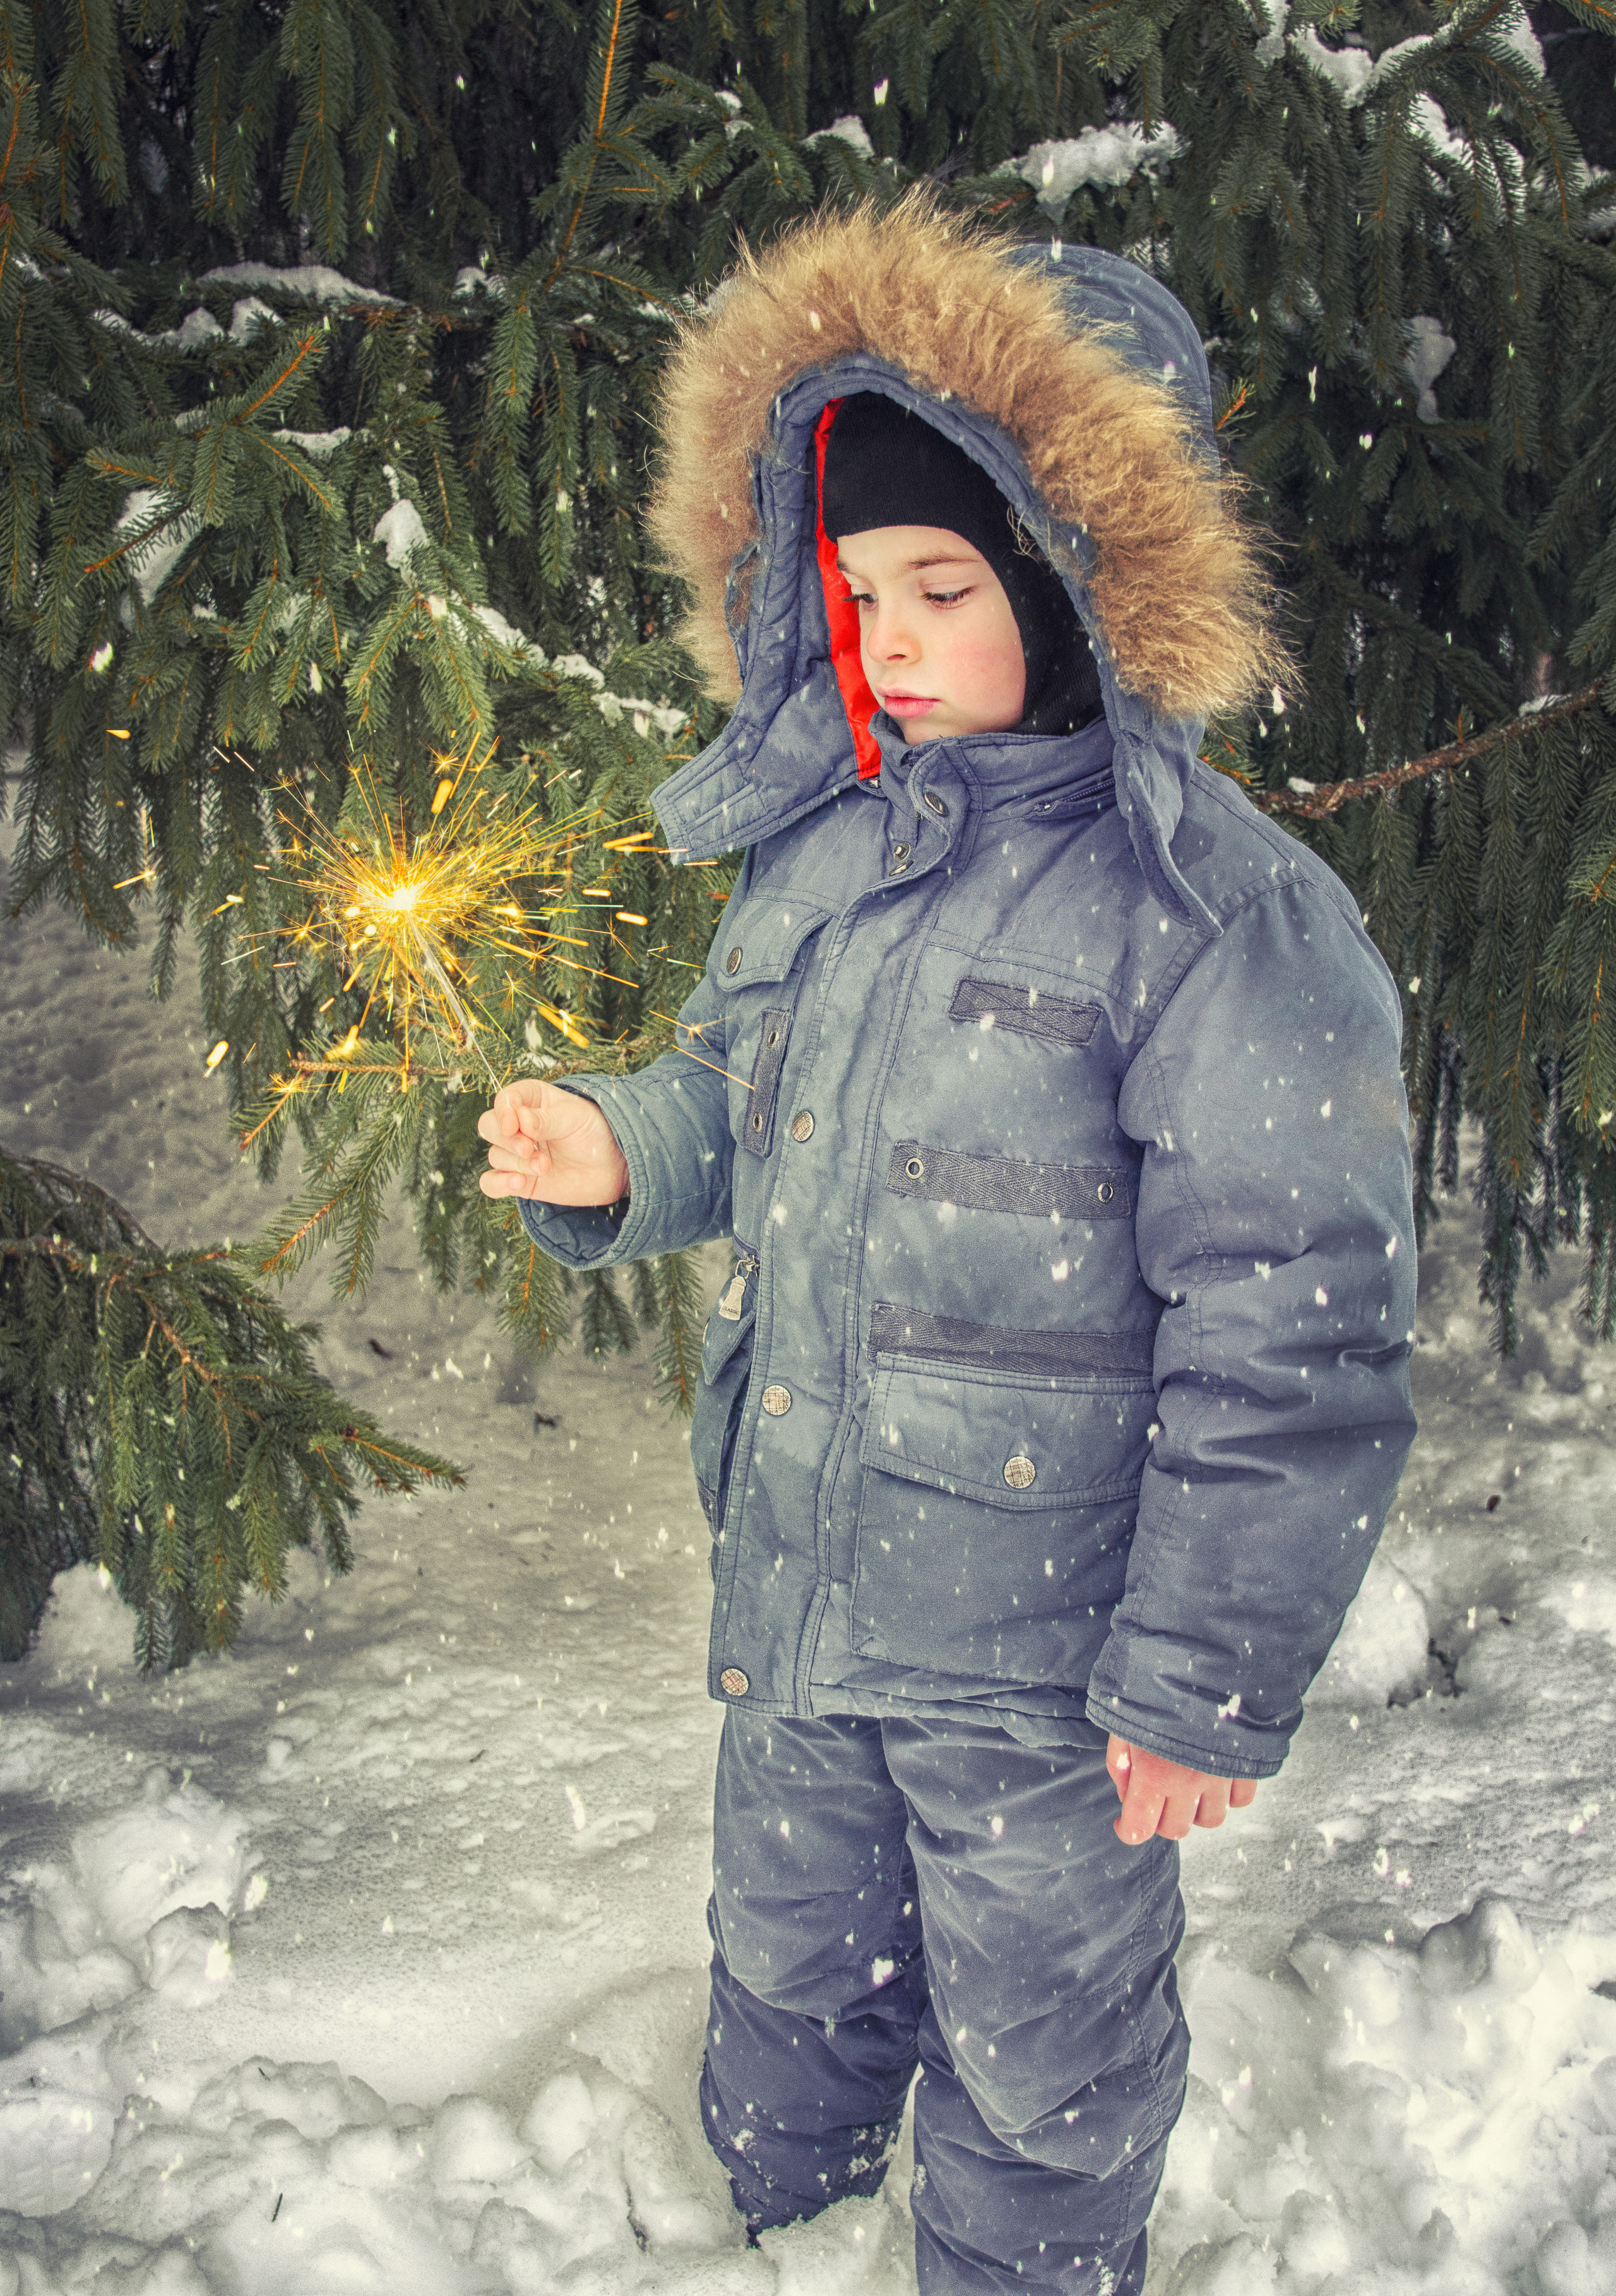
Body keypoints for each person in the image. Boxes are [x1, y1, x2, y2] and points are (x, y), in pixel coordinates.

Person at [478, 194, 1417, 2295]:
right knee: (797, 1952)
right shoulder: (828, 858)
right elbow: (743, 1101)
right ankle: (776, 2228)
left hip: (1051, 1670)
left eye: (938, 582)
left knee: (1040, 2039)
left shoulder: (1219, 925)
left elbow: (1297, 1341)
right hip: (809, 1595)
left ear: (1078, 585)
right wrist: (617, 1148)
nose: (884, 633)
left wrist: (1198, 1687)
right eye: (852, 586)